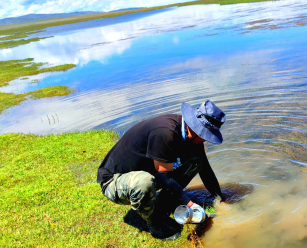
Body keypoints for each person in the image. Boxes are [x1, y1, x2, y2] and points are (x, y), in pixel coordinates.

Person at [97, 99, 226, 240]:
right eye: (205, 135)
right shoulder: (165, 133)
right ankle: (154, 223)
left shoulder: (191, 135)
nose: (205, 140)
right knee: (144, 182)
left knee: (196, 161)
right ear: (196, 129)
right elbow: (164, 176)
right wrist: (189, 202)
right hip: (115, 182)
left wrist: (220, 198)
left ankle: (164, 204)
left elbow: (205, 169)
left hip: (149, 172)